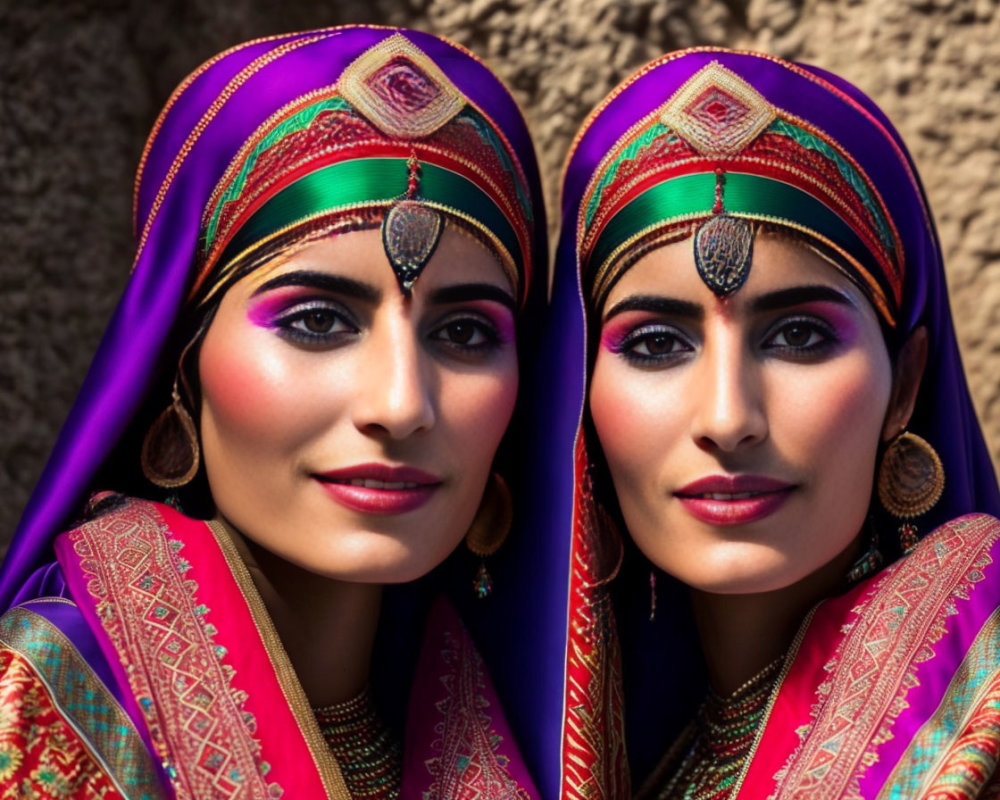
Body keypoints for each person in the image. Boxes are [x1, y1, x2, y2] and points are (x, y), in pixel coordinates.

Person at [0, 26, 552, 799]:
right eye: (318, 321)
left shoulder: (514, 714)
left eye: (463, 333)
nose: (401, 405)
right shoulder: (49, 704)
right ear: (183, 362)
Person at [552, 48, 1000, 799]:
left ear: (905, 384)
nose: (729, 419)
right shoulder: (649, 758)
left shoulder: (974, 702)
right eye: (658, 344)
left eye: (799, 337)